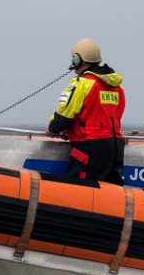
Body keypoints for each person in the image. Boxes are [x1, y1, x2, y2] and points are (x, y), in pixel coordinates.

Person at [48, 38, 126, 184]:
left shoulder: (82, 83)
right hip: (115, 149)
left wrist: (53, 127)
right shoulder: (117, 87)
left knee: (77, 191)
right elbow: (105, 115)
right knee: (109, 193)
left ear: (77, 59)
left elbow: (61, 120)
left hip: (90, 148)